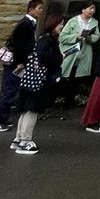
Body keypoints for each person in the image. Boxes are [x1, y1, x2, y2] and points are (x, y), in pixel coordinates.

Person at [11, 12, 64, 156]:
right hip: (38, 81)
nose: (61, 27)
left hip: (31, 79)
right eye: (60, 24)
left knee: (26, 110)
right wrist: (59, 57)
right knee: (31, 110)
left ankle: (18, 138)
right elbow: (43, 58)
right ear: (53, 25)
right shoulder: (46, 41)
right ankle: (25, 140)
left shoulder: (44, 39)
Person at [0, 0, 44, 132]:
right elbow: (19, 45)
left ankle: (3, 118)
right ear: (31, 9)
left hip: (18, 63)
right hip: (15, 63)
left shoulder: (30, 24)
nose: (41, 11)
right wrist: (20, 62)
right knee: (9, 89)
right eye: (39, 8)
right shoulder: (25, 24)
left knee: (12, 89)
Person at [58, 2, 100, 111]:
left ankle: (69, 101)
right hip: (71, 53)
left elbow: (97, 36)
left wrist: (89, 38)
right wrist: (77, 37)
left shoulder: (94, 23)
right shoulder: (73, 21)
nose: (92, 11)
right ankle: (57, 99)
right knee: (64, 76)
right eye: (90, 8)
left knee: (76, 78)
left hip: (83, 53)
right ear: (83, 9)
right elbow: (62, 37)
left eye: (93, 9)